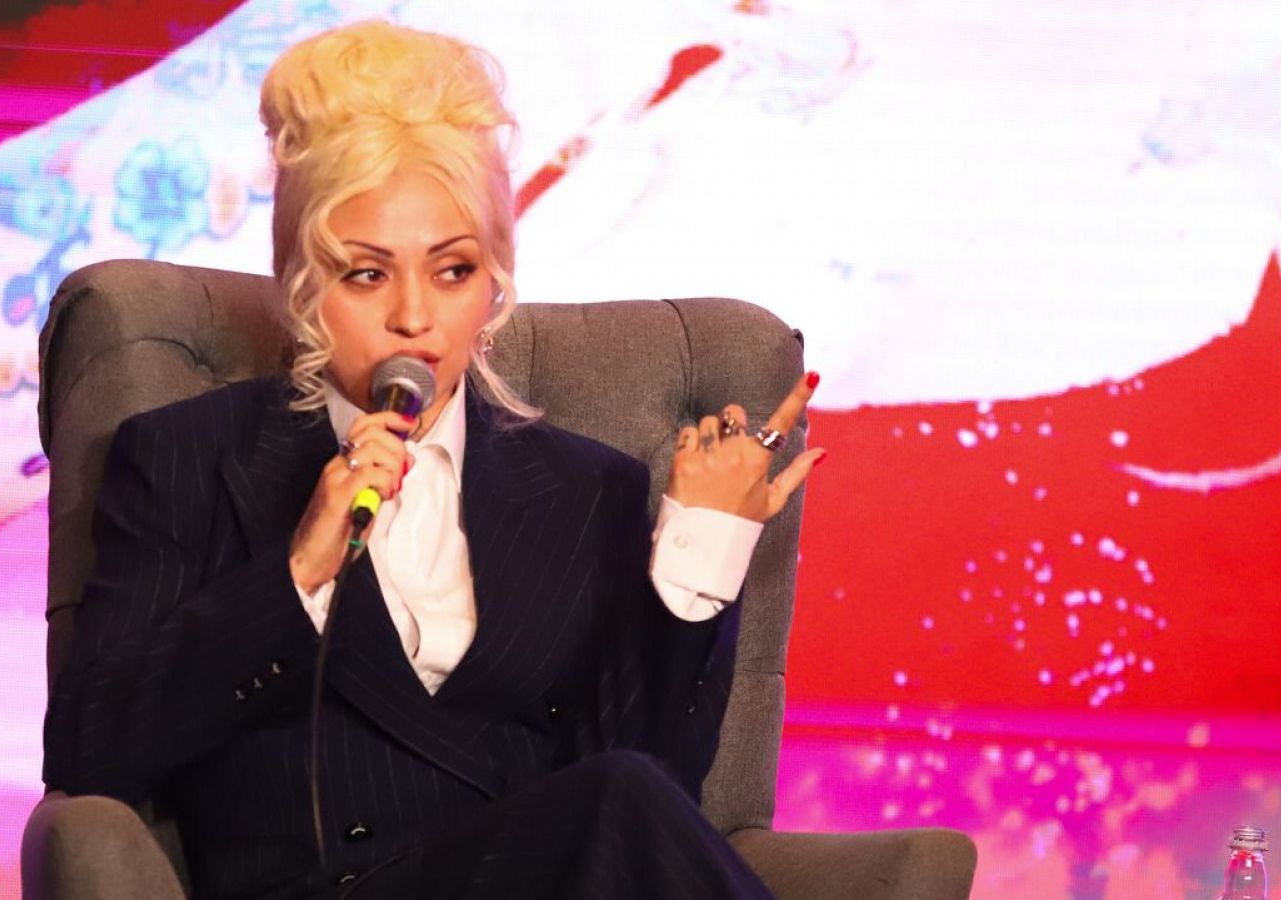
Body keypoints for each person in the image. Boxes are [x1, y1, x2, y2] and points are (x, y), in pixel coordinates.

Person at [41, 20, 824, 899]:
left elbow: (652, 804)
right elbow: (88, 747)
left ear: (494, 280)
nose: (415, 318)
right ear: (302, 283)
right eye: (367, 274)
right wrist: (297, 576)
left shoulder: (586, 488)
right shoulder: (192, 457)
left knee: (621, 792)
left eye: (453, 271)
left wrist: (698, 555)